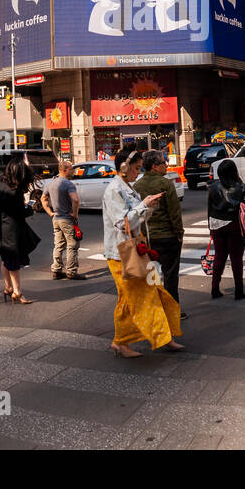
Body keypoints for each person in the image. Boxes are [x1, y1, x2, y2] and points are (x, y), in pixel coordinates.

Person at [102, 147, 182, 357]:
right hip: (121, 255)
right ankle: (127, 341)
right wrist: (144, 205)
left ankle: (159, 337)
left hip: (137, 250)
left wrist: (149, 206)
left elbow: (137, 219)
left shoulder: (129, 188)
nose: (138, 173)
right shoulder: (114, 190)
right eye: (136, 168)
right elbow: (123, 222)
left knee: (150, 293)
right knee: (136, 298)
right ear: (124, 167)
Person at [132, 150, 185, 309]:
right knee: (170, 275)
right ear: (154, 166)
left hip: (148, 238)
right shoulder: (165, 183)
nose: (166, 165)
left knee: (151, 276)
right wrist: (179, 233)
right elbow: (174, 212)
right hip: (167, 236)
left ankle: (154, 309)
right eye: (163, 162)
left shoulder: (137, 185)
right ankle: (172, 309)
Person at [0, 159, 40, 303]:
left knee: (6, 259)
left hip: (2, 226)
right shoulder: (14, 190)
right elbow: (19, 212)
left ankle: (8, 287)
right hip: (13, 229)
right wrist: (29, 208)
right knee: (14, 262)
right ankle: (17, 292)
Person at [207, 158, 245, 300]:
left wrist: (210, 228)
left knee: (219, 257)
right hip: (234, 225)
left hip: (216, 224)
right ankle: (239, 291)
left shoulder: (213, 187)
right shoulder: (240, 186)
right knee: (236, 259)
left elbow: (209, 208)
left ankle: (215, 288)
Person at [45, 158, 83, 281]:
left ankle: (56, 270)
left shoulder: (51, 183)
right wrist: (75, 214)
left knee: (59, 245)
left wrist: (50, 213)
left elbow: (43, 199)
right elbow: (76, 200)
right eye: (71, 169)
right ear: (65, 170)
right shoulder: (68, 184)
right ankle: (71, 271)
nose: (73, 171)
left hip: (55, 218)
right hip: (66, 218)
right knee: (72, 244)